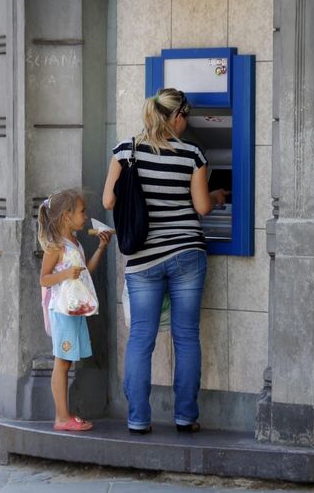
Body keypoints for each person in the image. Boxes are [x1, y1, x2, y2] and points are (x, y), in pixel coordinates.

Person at [102, 88, 223, 435]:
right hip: (187, 252)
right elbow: (202, 207)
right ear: (178, 117)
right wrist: (216, 196)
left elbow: (108, 201)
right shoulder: (192, 154)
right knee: (186, 337)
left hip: (143, 257)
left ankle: (138, 419)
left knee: (141, 338)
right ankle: (185, 416)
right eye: (187, 117)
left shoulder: (125, 151)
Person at [38, 188, 111, 431]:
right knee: (62, 362)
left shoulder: (75, 243)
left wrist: (101, 248)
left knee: (67, 361)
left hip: (74, 310)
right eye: (82, 211)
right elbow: (44, 279)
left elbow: (86, 272)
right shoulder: (56, 246)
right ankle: (61, 417)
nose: (86, 216)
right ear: (67, 216)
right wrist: (66, 274)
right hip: (62, 312)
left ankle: (64, 415)